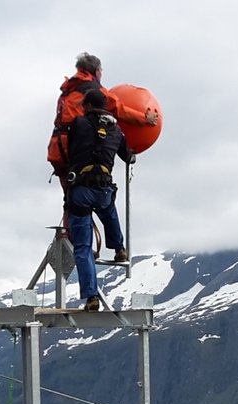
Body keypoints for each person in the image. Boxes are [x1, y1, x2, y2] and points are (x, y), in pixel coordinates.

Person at [47, 51, 158, 192]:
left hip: (57, 148)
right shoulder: (94, 90)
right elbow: (118, 109)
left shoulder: (68, 90)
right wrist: (144, 118)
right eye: (101, 70)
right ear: (96, 70)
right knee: (82, 198)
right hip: (74, 149)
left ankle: (70, 210)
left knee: (70, 200)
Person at [65, 87, 134, 311]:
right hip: (104, 189)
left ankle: (91, 297)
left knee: (83, 247)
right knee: (108, 211)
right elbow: (128, 156)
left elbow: (71, 145)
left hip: (81, 190)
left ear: (86, 106)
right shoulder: (117, 131)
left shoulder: (78, 123)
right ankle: (119, 248)